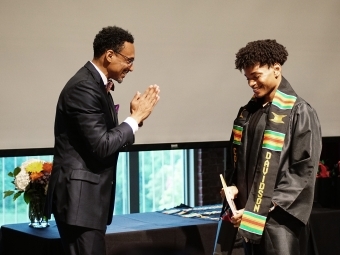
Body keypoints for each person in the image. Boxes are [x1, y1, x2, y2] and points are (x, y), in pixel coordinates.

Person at [45, 26, 160, 255]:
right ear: (109, 55)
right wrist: (134, 119)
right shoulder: (84, 87)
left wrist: (135, 121)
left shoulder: (98, 85)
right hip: (80, 202)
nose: (132, 67)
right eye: (129, 60)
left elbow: (104, 139)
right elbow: (102, 145)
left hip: (86, 204)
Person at [222, 39, 322, 255]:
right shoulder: (248, 114)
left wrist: (264, 206)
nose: (251, 83)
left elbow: (303, 172)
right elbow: (240, 163)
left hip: (280, 224)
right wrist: (234, 188)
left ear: (276, 69)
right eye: (248, 78)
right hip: (250, 219)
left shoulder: (299, 111)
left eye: (256, 77)